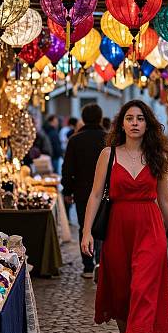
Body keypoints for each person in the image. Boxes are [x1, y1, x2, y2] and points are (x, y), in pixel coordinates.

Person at [81, 99, 168, 333]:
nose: (135, 122)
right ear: (121, 124)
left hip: (149, 228)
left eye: (140, 118)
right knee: (122, 291)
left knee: (143, 289)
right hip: (118, 228)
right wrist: (86, 231)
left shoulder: (157, 156)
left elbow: (164, 199)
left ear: (147, 123)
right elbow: (94, 194)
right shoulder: (108, 154)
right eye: (130, 118)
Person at [62, 104, 106, 279]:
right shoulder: (108, 138)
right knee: (103, 228)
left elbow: (67, 168)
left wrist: (67, 190)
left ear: (83, 118)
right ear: (100, 118)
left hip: (82, 191)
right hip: (105, 191)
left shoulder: (75, 140)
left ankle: (88, 267)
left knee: (84, 227)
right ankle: (101, 263)